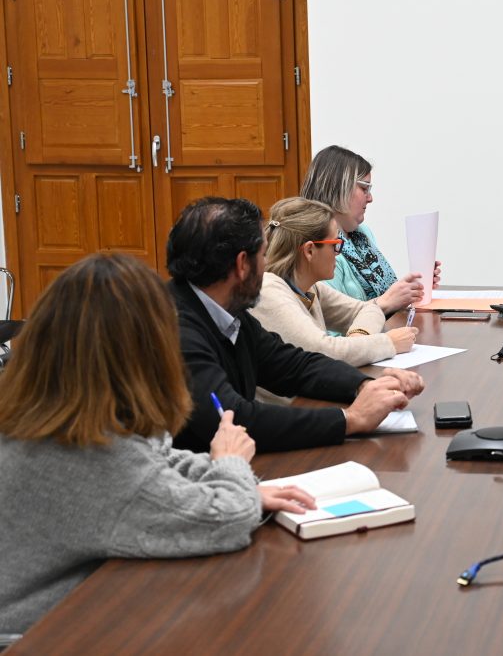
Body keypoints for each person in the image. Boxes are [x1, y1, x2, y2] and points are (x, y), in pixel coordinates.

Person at [0, 253, 316, 634]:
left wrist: (222, 475)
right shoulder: (97, 460)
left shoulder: (43, 416)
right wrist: (231, 465)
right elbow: (227, 520)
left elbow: (152, 460)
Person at [166, 196, 424, 453]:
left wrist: (364, 386)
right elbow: (234, 417)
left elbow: (293, 364)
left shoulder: (226, 310)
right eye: (263, 254)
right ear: (243, 264)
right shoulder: (176, 330)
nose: (267, 265)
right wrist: (350, 420)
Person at [250, 196, 418, 372]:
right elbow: (324, 353)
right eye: (335, 245)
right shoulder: (269, 291)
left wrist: (359, 340)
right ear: (309, 250)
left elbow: (369, 309)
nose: (338, 253)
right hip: (291, 400)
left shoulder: (309, 287)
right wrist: (389, 343)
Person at [300, 145, 440, 314]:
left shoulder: (362, 234)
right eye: (364, 188)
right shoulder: (320, 245)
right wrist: (389, 301)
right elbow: (332, 324)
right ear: (337, 188)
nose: (370, 198)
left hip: (383, 330)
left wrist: (413, 289)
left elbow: (385, 296)